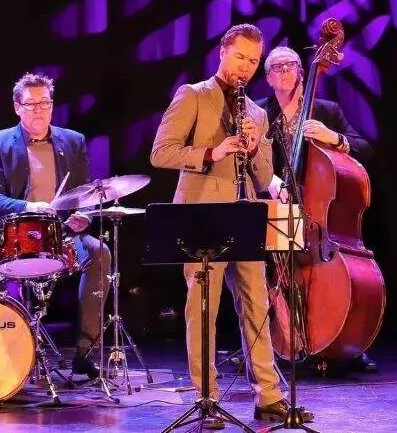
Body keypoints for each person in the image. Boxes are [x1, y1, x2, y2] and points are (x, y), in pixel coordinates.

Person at [150, 24, 312, 426]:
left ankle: (269, 396)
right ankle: (206, 397)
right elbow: (161, 153)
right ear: (223, 52)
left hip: (244, 218)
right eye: (240, 57)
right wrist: (213, 151)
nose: (246, 67)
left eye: (253, 61)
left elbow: (264, 176)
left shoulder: (257, 112)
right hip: (201, 216)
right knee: (202, 309)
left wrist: (256, 146)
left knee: (257, 307)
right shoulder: (194, 95)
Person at [0, 72, 111, 378]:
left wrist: (84, 216)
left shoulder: (73, 141)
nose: (39, 110)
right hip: (10, 230)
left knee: (99, 253)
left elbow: (84, 193)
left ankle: (86, 353)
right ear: (17, 107)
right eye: (32, 104)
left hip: (59, 233)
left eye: (45, 103)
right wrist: (27, 207)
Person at [254, 45, 378, 373]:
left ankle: (346, 339)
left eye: (291, 65)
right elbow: (248, 159)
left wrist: (333, 137)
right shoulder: (257, 113)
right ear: (268, 78)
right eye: (276, 67)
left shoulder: (327, 111)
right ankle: (264, 341)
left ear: (301, 72)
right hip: (278, 206)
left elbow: (365, 148)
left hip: (318, 216)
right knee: (264, 270)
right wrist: (271, 182)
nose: (284, 71)